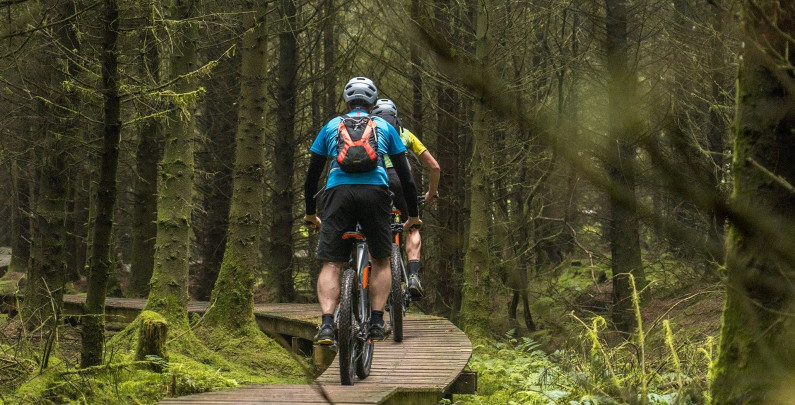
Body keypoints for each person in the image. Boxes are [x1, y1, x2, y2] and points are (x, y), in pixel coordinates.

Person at [303, 77, 422, 344]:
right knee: (381, 259)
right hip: (375, 194)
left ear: (346, 102)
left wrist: (311, 213)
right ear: (372, 102)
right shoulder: (384, 126)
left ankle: (326, 325)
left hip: (338, 194)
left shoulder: (332, 125)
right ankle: (378, 322)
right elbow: (406, 178)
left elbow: (311, 177)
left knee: (332, 262)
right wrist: (412, 215)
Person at [371, 99, 440, 299]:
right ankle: (413, 276)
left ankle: (368, 280)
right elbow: (434, 167)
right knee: (412, 226)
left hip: (376, 182)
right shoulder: (405, 134)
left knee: (371, 229)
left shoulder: (369, 133)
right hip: (402, 182)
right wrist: (430, 192)